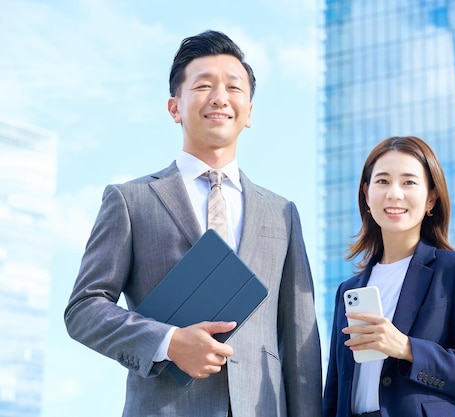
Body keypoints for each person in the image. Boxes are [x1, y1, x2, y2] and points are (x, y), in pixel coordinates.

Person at [64, 30, 322, 417]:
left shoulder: (282, 213)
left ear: (249, 112)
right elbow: (84, 308)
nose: (220, 97)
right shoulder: (130, 201)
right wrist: (167, 341)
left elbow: (300, 336)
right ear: (175, 107)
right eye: (203, 86)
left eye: (234, 87)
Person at [323, 136, 455, 417]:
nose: (394, 193)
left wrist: (406, 347)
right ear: (366, 196)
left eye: (409, 182)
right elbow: (334, 391)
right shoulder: (349, 290)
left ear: (431, 198)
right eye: (382, 181)